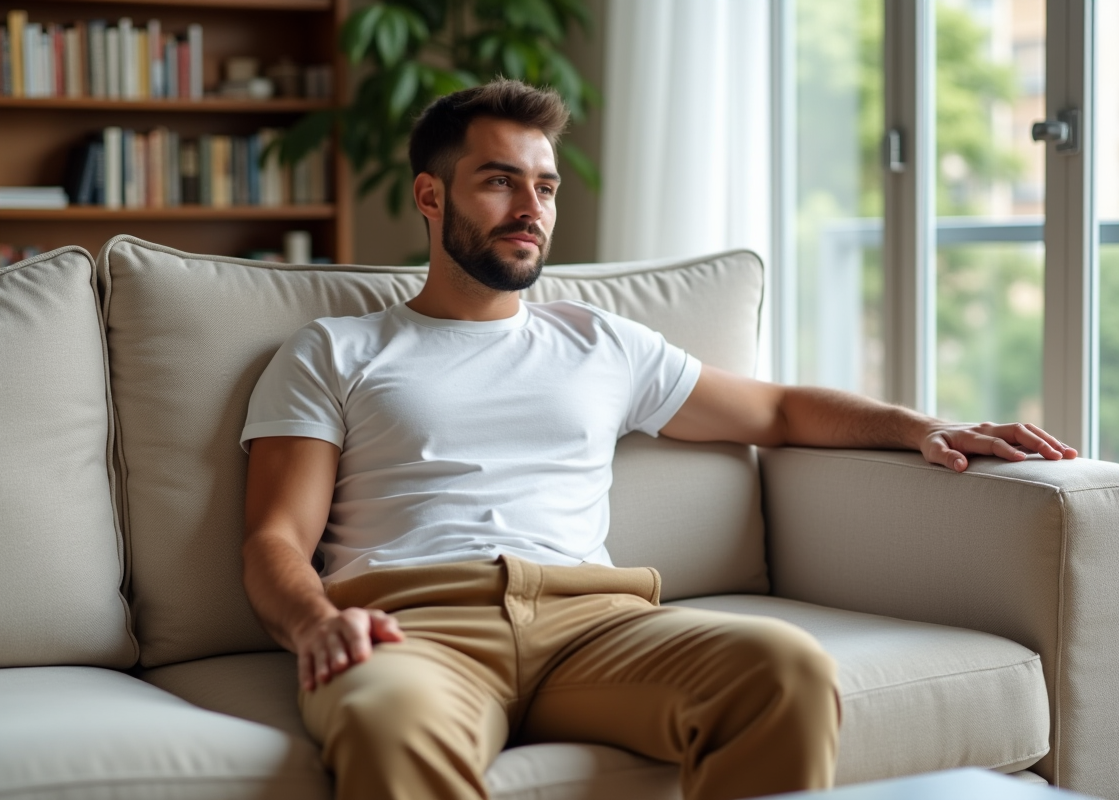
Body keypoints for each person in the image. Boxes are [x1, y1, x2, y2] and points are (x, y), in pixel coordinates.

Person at [239, 79, 1077, 800]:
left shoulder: (599, 343)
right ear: (431, 196)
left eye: (547, 186)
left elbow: (777, 411)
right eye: (500, 182)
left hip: (593, 621)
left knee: (783, 670)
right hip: (413, 626)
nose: (531, 209)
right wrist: (315, 623)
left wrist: (922, 426)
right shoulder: (335, 350)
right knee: (386, 724)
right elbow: (276, 536)